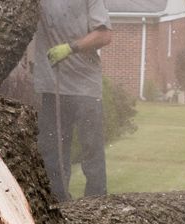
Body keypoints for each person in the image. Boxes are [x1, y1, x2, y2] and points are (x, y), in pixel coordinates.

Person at [31, 0, 112, 201]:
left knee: (91, 152)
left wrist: (71, 47)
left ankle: (96, 205)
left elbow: (104, 35)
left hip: (85, 88)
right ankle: (59, 205)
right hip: (52, 87)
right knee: (52, 155)